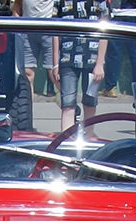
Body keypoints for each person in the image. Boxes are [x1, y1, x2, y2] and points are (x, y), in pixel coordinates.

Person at [52, 0, 110, 131]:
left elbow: (105, 31)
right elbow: (55, 32)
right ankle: (66, 138)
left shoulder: (100, 2)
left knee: (90, 101)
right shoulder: (61, 2)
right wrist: (55, 63)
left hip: (93, 58)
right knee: (67, 103)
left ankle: (89, 135)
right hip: (67, 58)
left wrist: (100, 63)